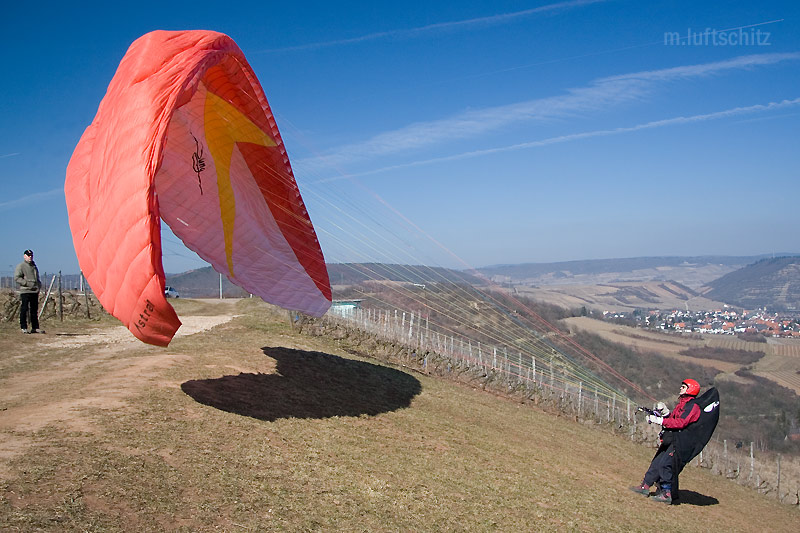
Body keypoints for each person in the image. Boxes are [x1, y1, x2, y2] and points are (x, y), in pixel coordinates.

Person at [629, 379, 702, 504]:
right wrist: (665, 413)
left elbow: (681, 423)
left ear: (690, 389)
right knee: (656, 462)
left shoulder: (693, 407)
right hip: (671, 438)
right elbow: (674, 419)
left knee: (665, 465)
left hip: (680, 441)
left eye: (683, 387)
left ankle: (666, 493)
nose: (680, 388)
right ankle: (645, 486)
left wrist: (660, 421)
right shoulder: (682, 404)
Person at [14, 249, 44, 334]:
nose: (30, 257)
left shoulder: (34, 266)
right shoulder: (21, 266)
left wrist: (38, 285)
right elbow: (17, 278)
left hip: (34, 291)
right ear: (24, 256)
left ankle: (35, 327)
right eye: (28, 255)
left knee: (34, 310)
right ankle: (23, 327)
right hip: (25, 291)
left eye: (31, 255)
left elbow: (36, 278)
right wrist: (26, 283)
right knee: (24, 308)